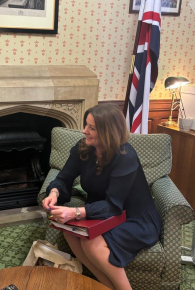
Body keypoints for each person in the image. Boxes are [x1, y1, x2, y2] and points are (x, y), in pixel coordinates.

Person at [42, 104, 161, 290]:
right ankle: (107, 287)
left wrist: (75, 212)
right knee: (70, 232)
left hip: (134, 217)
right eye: (86, 125)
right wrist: (54, 193)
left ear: (108, 132)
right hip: (101, 211)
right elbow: (63, 178)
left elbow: (114, 206)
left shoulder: (125, 155)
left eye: (91, 128)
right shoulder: (83, 148)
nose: (84, 131)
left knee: (92, 243)